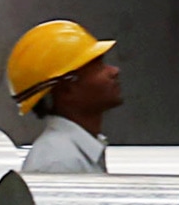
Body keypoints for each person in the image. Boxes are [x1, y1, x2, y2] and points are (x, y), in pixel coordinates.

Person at [8, 20, 121, 172]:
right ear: (66, 89)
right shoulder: (58, 162)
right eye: (98, 66)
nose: (114, 71)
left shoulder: (71, 154)